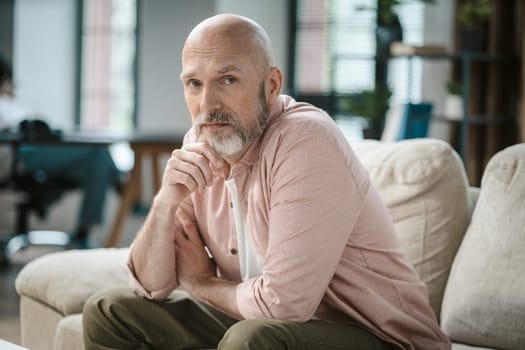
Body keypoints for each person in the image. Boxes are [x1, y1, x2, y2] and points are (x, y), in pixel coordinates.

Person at [82, 14, 451, 349]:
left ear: (272, 85)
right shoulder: (200, 142)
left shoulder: (306, 140)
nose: (207, 103)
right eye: (194, 83)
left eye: (228, 80)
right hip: (265, 323)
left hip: (378, 336)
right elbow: (151, 286)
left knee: (252, 339)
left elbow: (283, 305)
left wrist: (201, 283)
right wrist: (165, 202)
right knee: (110, 310)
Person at [0, 52, 121, 247]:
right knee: (97, 148)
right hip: (21, 156)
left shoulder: (8, 103)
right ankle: (122, 184)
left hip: (36, 148)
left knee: (96, 165)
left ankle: (83, 233)